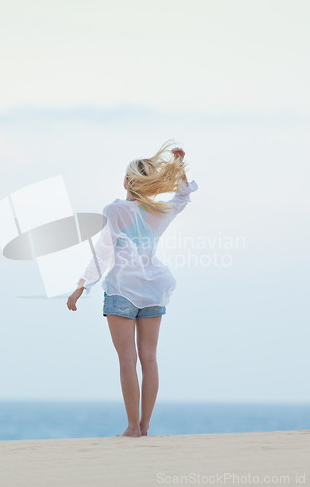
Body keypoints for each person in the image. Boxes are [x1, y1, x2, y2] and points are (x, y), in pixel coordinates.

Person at [66, 139, 198, 438]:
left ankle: (132, 428)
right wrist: (178, 167)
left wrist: (81, 287)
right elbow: (183, 197)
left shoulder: (115, 211)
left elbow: (103, 254)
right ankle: (146, 426)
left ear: (126, 181)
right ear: (151, 183)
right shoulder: (160, 211)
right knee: (149, 358)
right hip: (153, 288)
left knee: (128, 360)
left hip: (121, 290)